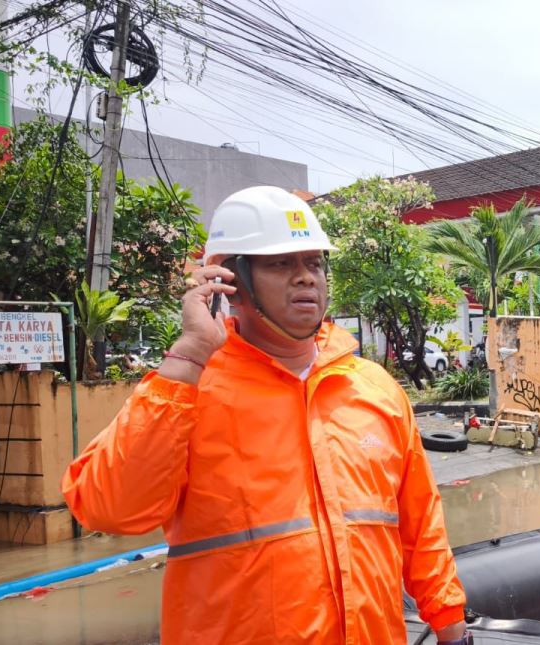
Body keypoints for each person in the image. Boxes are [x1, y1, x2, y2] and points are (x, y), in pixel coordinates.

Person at [62, 187, 470, 645]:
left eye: (313, 263)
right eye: (281, 264)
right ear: (230, 281)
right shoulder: (185, 394)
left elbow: (421, 525)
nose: (305, 278)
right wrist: (189, 357)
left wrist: (451, 626)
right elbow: (108, 508)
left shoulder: (375, 389)